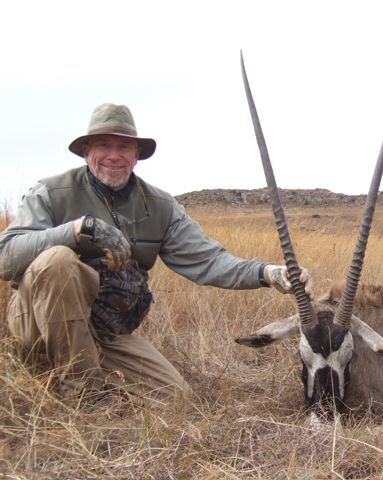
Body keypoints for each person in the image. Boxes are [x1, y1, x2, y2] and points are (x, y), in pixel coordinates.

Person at [0, 103, 309, 405]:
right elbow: (6, 256)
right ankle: (83, 395)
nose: (114, 155)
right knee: (57, 261)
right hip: (37, 326)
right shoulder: (51, 192)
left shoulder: (160, 206)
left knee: (176, 399)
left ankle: (81, 374)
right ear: (86, 152)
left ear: (137, 156)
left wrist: (268, 273)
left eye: (124, 147)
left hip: (104, 332)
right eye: (103, 145)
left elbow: (209, 261)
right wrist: (76, 231)